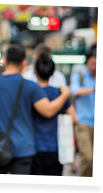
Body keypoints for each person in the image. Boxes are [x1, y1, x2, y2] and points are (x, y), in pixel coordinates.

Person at [0, 45, 44, 175]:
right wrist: (64, 95)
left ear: (5, 61)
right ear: (24, 62)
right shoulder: (31, 86)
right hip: (24, 146)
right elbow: (47, 110)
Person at [29, 46, 69, 176]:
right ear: (53, 73)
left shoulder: (29, 92)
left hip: (33, 147)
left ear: (35, 71)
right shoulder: (59, 92)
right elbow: (74, 118)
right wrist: (65, 95)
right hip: (56, 147)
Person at [66, 45, 97, 176]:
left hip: (98, 123)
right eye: (92, 63)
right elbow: (74, 91)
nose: (94, 66)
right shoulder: (79, 73)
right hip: (83, 122)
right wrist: (94, 89)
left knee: (95, 162)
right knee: (87, 157)